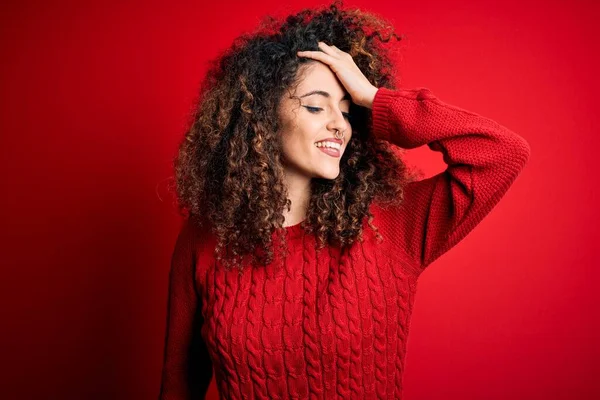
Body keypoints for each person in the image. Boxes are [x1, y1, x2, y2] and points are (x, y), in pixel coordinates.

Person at [158, 1, 531, 399]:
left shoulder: (390, 225)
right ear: (262, 118)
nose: (339, 124)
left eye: (348, 111)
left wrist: (376, 98)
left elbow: (503, 152)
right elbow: (180, 382)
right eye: (317, 106)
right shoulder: (205, 237)